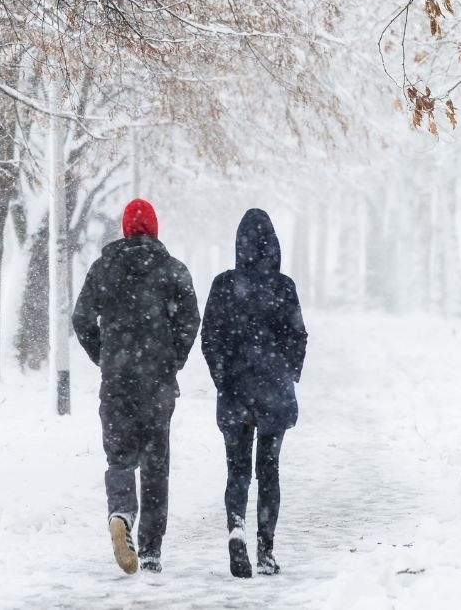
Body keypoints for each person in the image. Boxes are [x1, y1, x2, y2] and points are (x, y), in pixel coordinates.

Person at [72, 198, 200, 575]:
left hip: (117, 381)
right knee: (156, 464)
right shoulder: (173, 271)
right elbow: (190, 324)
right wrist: (171, 359)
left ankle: (121, 513)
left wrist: (105, 356)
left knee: (119, 458)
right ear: (155, 230)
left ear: (125, 229)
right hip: (156, 384)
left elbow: (81, 318)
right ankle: (151, 550)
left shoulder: (103, 268)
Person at [201, 208, 308, 578]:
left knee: (237, 471)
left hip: (235, 392)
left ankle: (236, 528)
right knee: (269, 471)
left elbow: (209, 337)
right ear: (274, 246)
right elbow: (298, 336)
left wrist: (222, 377)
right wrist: (288, 373)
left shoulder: (223, 284)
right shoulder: (284, 287)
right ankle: (265, 550)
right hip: (274, 393)